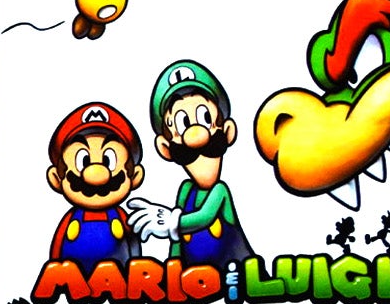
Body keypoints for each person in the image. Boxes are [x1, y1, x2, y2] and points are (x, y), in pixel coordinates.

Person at [128, 60, 254, 267]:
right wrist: (172, 266)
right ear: (165, 148)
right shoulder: (186, 190)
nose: (196, 136)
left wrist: (171, 222)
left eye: (205, 118)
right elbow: (177, 240)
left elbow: (204, 217)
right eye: (183, 124)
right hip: (192, 278)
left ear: (227, 131)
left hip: (237, 274)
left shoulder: (219, 191)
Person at [44, 101, 145, 274]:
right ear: (56, 178)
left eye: (108, 160)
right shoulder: (70, 219)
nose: (96, 174)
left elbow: (134, 249)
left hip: (119, 283)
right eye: (83, 160)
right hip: (71, 282)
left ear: (134, 175)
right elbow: (56, 251)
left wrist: (136, 274)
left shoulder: (121, 217)